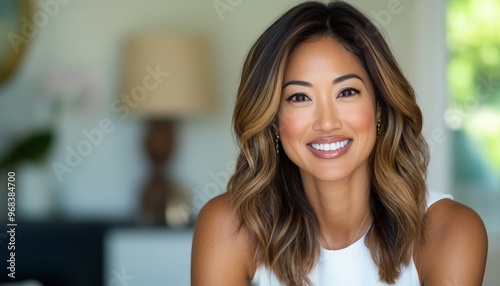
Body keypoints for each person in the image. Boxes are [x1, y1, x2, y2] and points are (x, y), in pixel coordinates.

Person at [191, 1, 488, 285]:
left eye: (346, 92)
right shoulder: (228, 228)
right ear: (272, 120)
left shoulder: (450, 231)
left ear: (380, 107)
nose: (327, 122)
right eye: (299, 97)